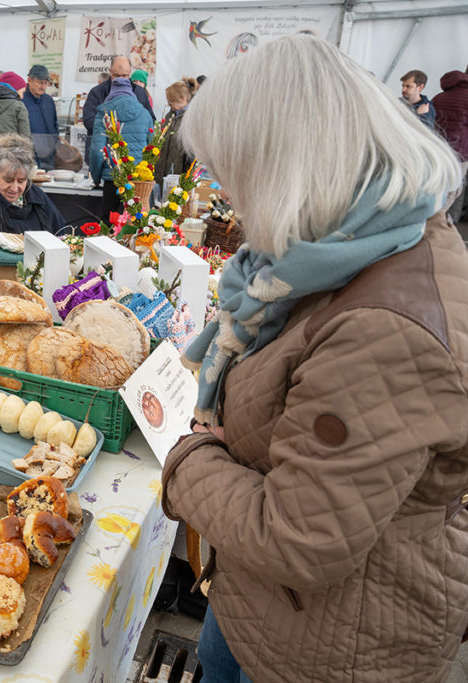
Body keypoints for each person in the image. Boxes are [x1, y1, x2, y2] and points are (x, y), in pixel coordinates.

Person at [161, 34, 468, 683]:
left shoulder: (385, 327)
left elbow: (297, 537)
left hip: (331, 642)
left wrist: (188, 459)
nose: (231, 199)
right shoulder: (342, 252)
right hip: (265, 605)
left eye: (232, 174)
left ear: (283, 166)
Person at [89, 77, 153, 220]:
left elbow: (96, 151)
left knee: (109, 225)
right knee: (133, 224)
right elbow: (152, 148)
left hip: (113, 179)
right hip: (138, 180)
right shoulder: (145, 114)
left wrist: (96, 177)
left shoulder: (104, 115)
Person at [433, 66, 468, 222]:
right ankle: (437, 220)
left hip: (438, 149)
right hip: (460, 151)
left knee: (437, 186)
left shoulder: (438, 97)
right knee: (454, 189)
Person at [153, 78, 197, 189]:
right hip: (161, 176)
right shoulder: (170, 116)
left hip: (177, 180)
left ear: (183, 99)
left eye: (171, 101)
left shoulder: (192, 119)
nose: (168, 104)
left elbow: (192, 157)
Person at [22, 65, 59, 169]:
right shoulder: (21, 101)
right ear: (29, 80)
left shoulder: (49, 100)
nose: (43, 87)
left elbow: (55, 125)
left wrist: (55, 144)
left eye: (45, 83)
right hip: (30, 159)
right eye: (39, 82)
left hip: (50, 158)